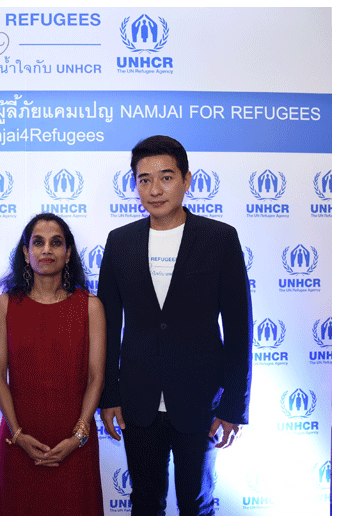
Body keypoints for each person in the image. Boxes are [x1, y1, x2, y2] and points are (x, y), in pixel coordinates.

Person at [98, 136, 252, 516]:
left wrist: (234, 406)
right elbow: (107, 327)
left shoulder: (220, 239)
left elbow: (239, 329)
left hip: (201, 401)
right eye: (144, 179)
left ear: (186, 180)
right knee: (144, 503)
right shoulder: (119, 242)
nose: (155, 189)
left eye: (166, 177)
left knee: (196, 504)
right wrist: (109, 395)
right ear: (135, 185)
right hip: (138, 401)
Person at [0, 213, 106, 516]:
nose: (46, 250)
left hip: (75, 441)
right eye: (38, 242)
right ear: (26, 252)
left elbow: (96, 377)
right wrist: (17, 435)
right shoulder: (5, 304)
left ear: (68, 253)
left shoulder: (90, 306)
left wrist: (78, 436)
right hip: (19, 439)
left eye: (56, 243)